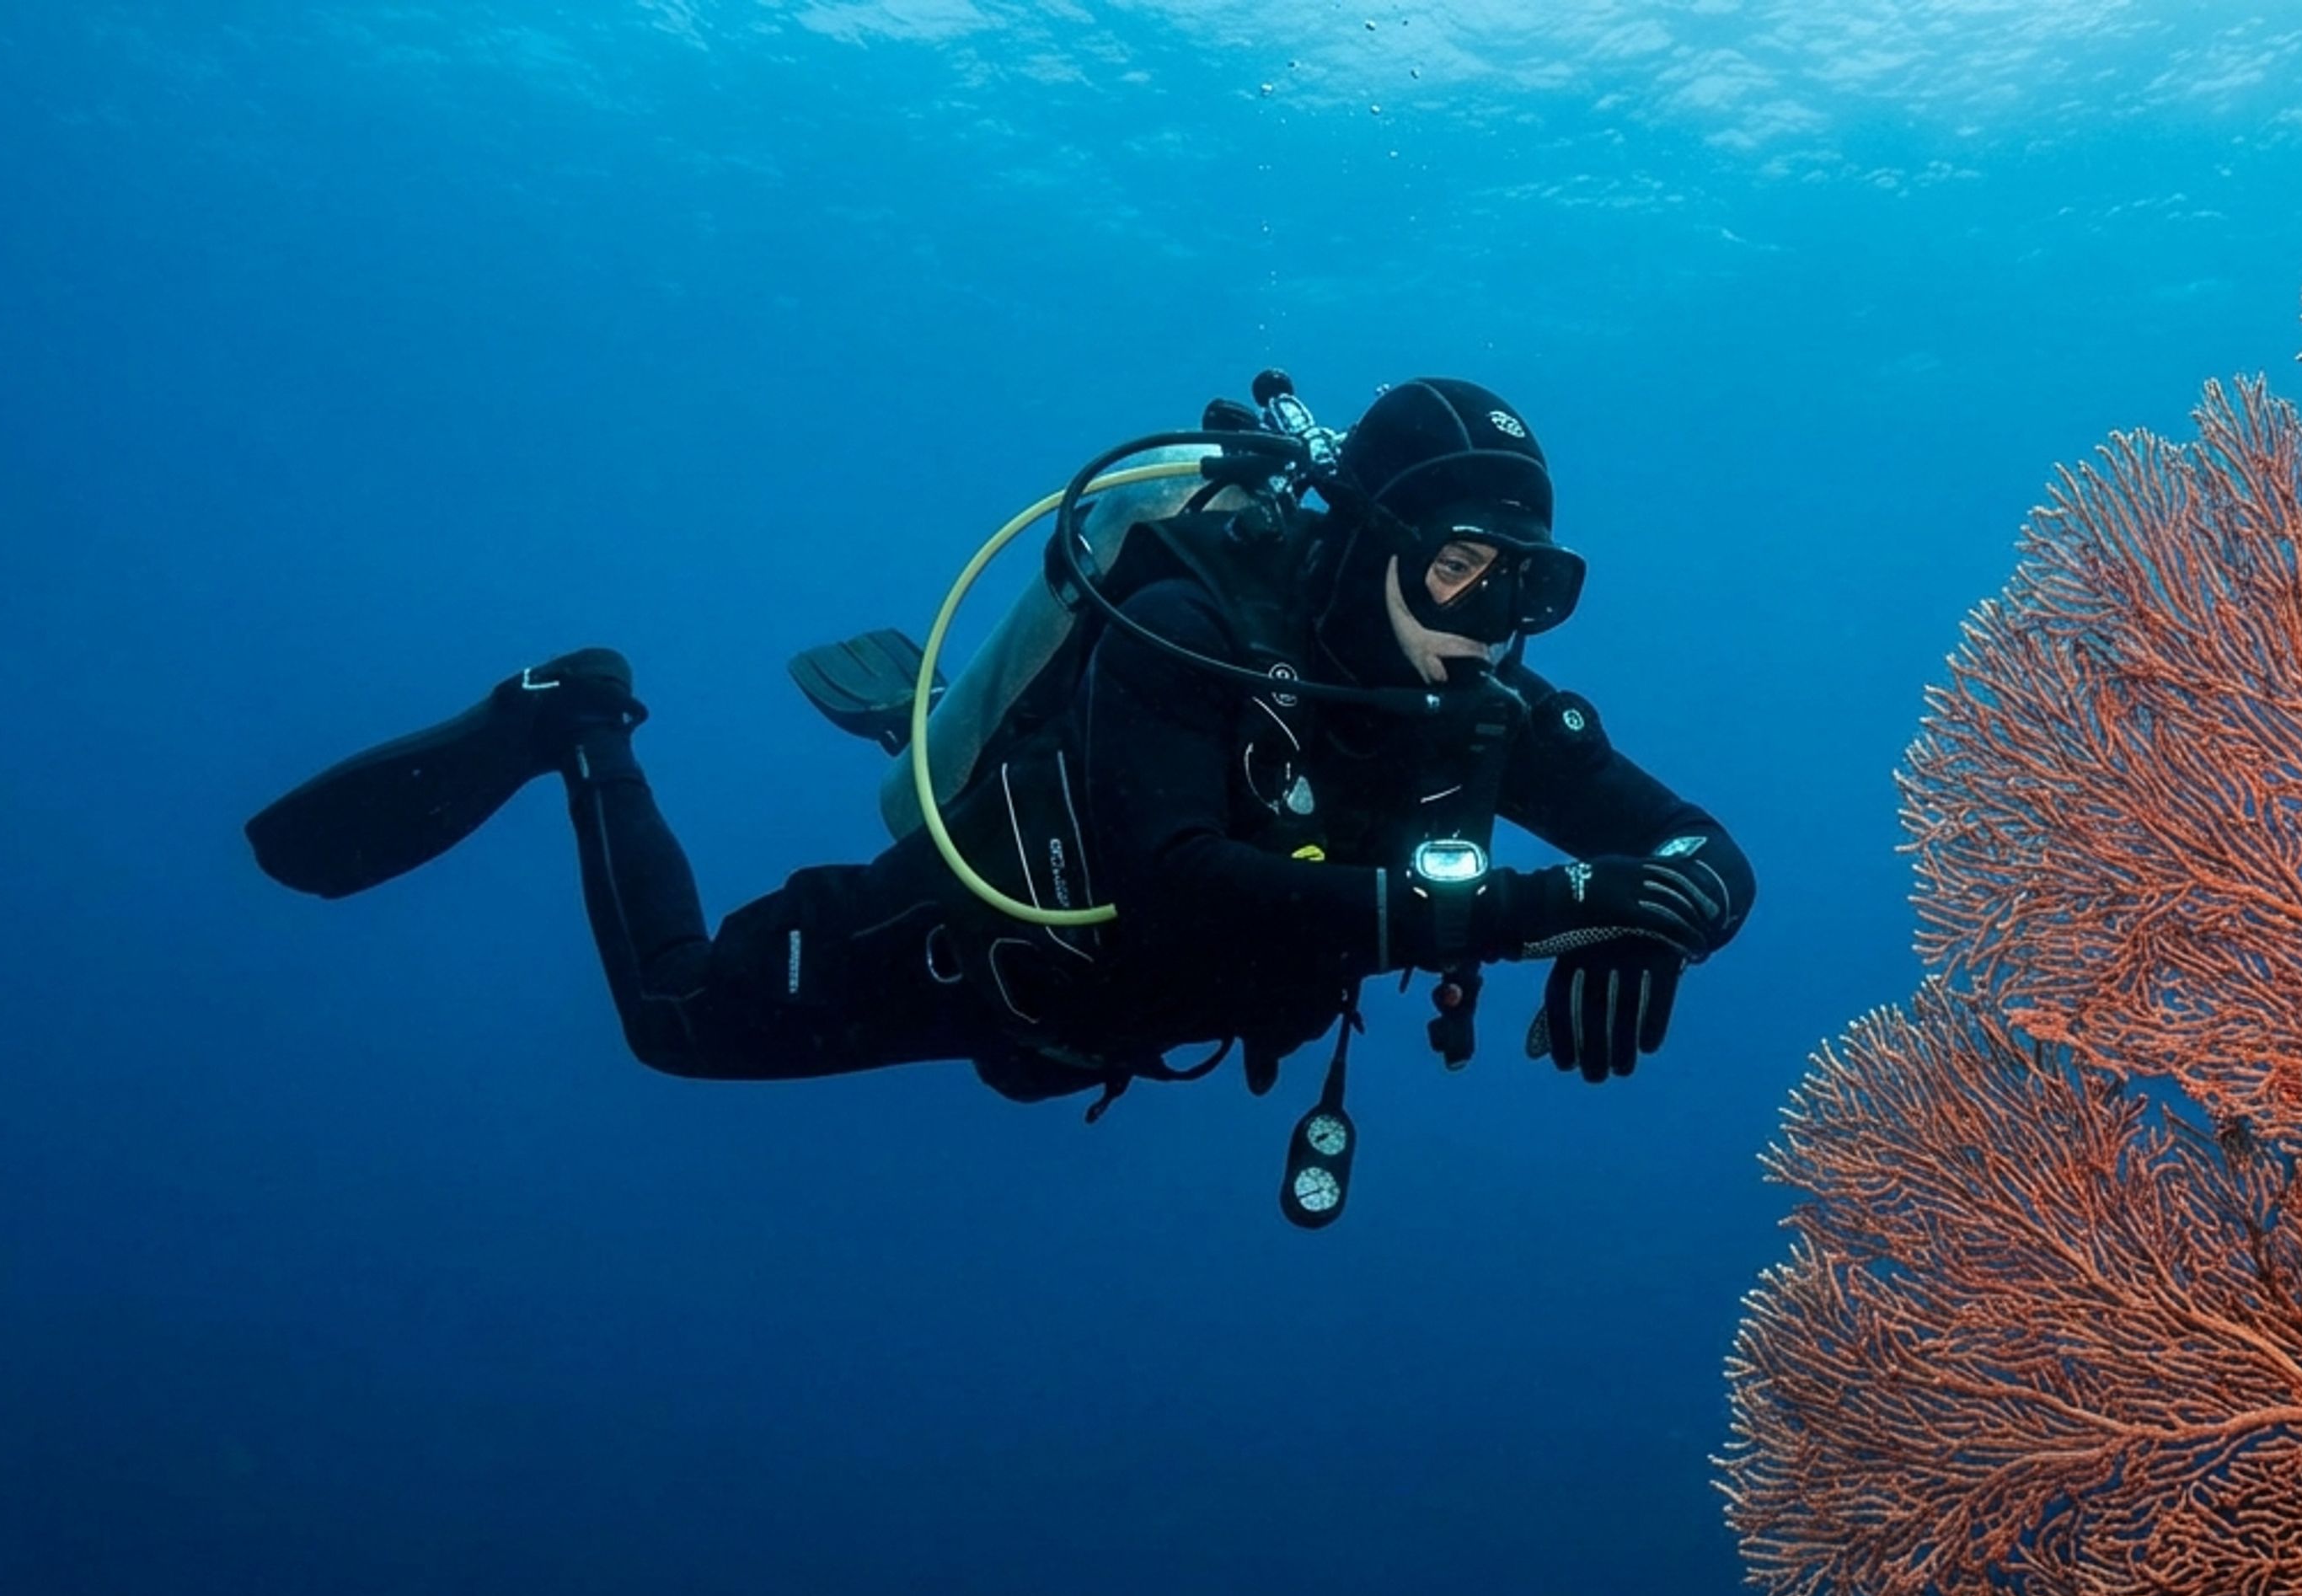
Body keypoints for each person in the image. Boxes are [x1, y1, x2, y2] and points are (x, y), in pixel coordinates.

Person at [248, 376, 1753, 1215]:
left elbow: (1707, 851)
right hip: (991, 939)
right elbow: (1176, 882)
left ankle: (940, 728)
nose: (1487, 623)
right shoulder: (1190, 621)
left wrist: (1658, 924)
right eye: (1456, 570)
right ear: (1365, 539)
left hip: (1116, 1017)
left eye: (1530, 589)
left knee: (1034, 1057)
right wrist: (1546, 907)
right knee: (675, 1024)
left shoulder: (1484, 706)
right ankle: (577, 723)